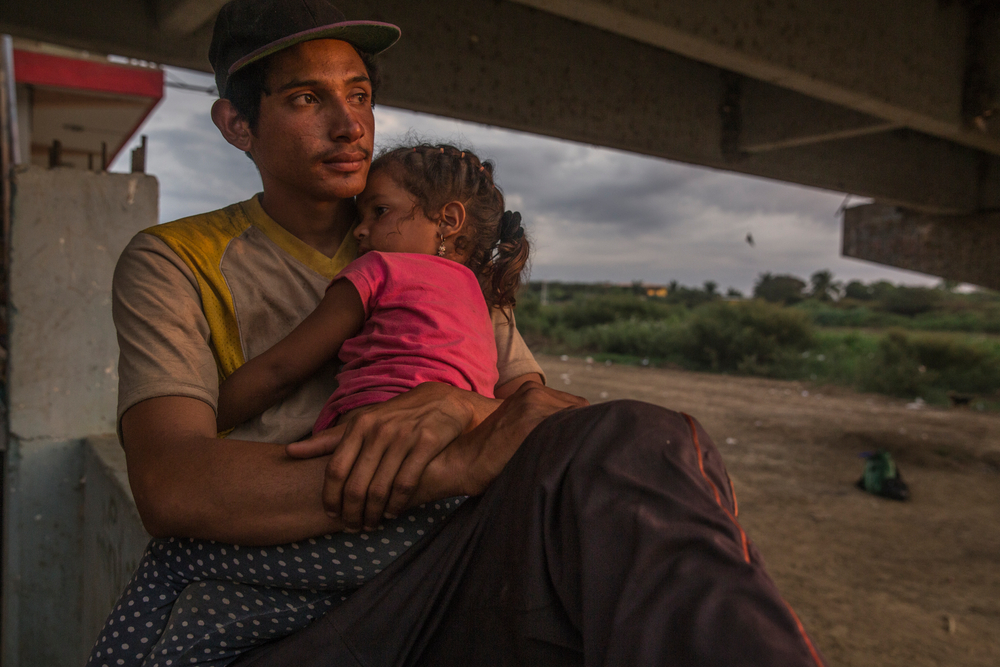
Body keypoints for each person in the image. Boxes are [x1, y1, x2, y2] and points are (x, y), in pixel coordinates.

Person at [107, 0, 827, 664]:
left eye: (359, 94)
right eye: (305, 98)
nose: (350, 125)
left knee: (642, 440)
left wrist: (460, 409)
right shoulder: (177, 260)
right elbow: (171, 484)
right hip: (296, 617)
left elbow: (542, 421)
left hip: (449, 573)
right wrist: (441, 465)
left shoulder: (442, 259)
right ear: (238, 125)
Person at [88, 142, 531, 667]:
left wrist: (203, 415)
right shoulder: (481, 296)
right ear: (236, 124)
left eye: (379, 212)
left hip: (367, 500)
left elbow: (281, 370)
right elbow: (527, 406)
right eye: (363, 213)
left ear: (448, 221)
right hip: (445, 525)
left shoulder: (379, 268)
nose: (363, 230)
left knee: (178, 573)